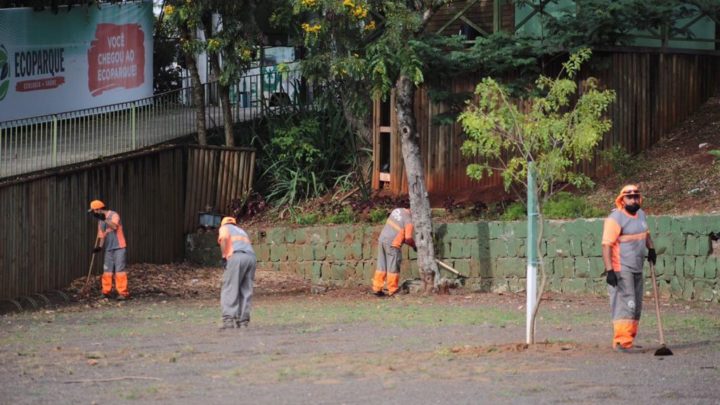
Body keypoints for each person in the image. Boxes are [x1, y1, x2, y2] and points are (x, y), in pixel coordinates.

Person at [601, 185, 656, 352]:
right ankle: (621, 342)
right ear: (622, 200)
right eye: (629, 197)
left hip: (637, 267)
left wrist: (651, 249)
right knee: (626, 304)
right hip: (621, 268)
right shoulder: (615, 218)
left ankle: (628, 340)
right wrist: (610, 270)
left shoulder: (641, 215)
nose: (633, 199)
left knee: (636, 304)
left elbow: (645, 234)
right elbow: (606, 246)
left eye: (635, 196)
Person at [217, 216, 256, 330]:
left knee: (230, 288)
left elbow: (224, 237)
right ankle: (243, 321)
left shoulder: (224, 228)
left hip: (236, 256)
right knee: (246, 289)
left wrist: (224, 256)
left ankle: (228, 320)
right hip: (251, 258)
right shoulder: (241, 230)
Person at [88, 200, 129, 300]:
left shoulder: (114, 215)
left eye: (94, 211)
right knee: (107, 271)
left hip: (119, 247)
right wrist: (100, 247)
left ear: (99, 209)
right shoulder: (100, 221)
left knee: (119, 271)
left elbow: (114, 226)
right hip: (108, 249)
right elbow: (102, 235)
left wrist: (104, 219)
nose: (94, 213)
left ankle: (122, 293)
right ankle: (106, 291)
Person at [372, 207, 416, 297]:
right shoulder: (409, 221)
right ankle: (393, 290)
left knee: (382, 266)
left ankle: (377, 288)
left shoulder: (397, 210)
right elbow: (408, 238)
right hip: (393, 243)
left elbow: (398, 229)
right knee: (393, 266)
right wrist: (415, 246)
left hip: (382, 240)